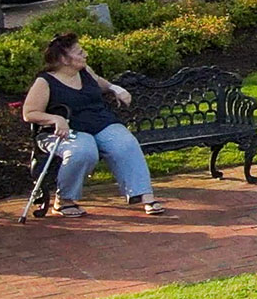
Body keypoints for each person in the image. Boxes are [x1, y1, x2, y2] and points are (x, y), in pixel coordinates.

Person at [21, 33, 165, 217]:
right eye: (79, 52)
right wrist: (55, 119)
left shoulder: (84, 71)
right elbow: (29, 113)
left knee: (125, 143)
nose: (85, 54)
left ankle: (145, 195)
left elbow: (99, 82)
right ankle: (64, 200)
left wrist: (114, 88)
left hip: (99, 123)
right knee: (83, 151)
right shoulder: (45, 81)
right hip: (65, 131)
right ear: (64, 59)